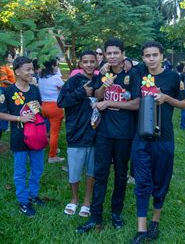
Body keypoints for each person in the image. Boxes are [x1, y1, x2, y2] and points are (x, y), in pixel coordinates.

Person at [76, 38, 140, 234]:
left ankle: (116, 213)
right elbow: (97, 95)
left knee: (121, 175)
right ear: (104, 55)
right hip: (104, 133)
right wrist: (105, 85)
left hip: (124, 133)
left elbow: (136, 104)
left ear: (122, 53)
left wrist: (109, 105)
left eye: (116, 53)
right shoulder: (103, 72)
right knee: (100, 174)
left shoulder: (133, 73)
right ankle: (95, 216)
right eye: (109, 53)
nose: (112, 57)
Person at [130, 41, 185, 243]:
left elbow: (184, 104)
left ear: (162, 56)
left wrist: (166, 98)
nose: (151, 59)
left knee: (161, 181)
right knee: (142, 182)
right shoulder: (139, 75)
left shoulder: (173, 77)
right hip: (141, 138)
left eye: (155, 55)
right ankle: (141, 229)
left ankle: (155, 220)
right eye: (147, 55)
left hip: (164, 139)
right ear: (143, 57)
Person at [0, 56, 46, 217]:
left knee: (37, 168)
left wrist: (39, 109)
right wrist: (19, 119)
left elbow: (40, 111)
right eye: (28, 70)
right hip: (19, 137)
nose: (32, 72)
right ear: (17, 71)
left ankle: (33, 194)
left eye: (32, 69)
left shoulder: (35, 90)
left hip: (37, 136)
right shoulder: (8, 92)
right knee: (21, 171)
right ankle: (23, 202)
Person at [57, 51, 98, 217]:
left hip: (95, 134)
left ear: (96, 63)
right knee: (74, 171)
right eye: (85, 62)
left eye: (92, 61)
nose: (88, 64)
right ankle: (74, 199)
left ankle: (87, 200)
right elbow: (61, 102)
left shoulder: (99, 81)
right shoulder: (73, 81)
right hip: (76, 134)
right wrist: (81, 92)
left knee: (91, 171)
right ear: (80, 64)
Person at [39, 58, 65, 163]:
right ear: (53, 66)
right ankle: (52, 156)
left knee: (47, 130)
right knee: (54, 133)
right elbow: (65, 89)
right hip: (55, 107)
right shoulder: (56, 78)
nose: (58, 67)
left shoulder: (41, 77)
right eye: (57, 65)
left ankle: (52, 147)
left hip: (44, 106)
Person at [0, 51, 16, 131]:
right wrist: (14, 85)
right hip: (3, 90)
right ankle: (3, 126)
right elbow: (4, 80)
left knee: (7, 107)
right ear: (5, 58)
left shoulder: (8, 67)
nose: (12, 58)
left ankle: (5, 125)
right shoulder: (2, 67)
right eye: (10, 57)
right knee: (3, 107)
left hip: (8, 90)